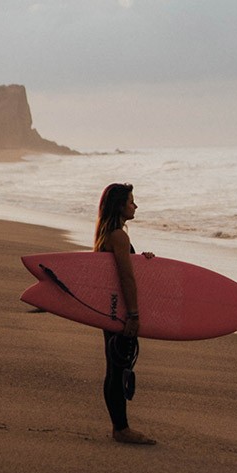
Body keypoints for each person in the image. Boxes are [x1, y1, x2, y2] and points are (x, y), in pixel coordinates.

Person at [94, 182, 157, 445]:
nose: (135, 205)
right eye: (131, 201)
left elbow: (119, 270)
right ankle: (121, 429)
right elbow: (125, 278)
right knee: (119, 368)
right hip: (121, 311)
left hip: (109, 310)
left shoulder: (107, 234)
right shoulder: (119, 236)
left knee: (114, 367)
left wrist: (141, 261)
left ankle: (119, 427)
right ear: (120, 206)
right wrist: (133, 314)